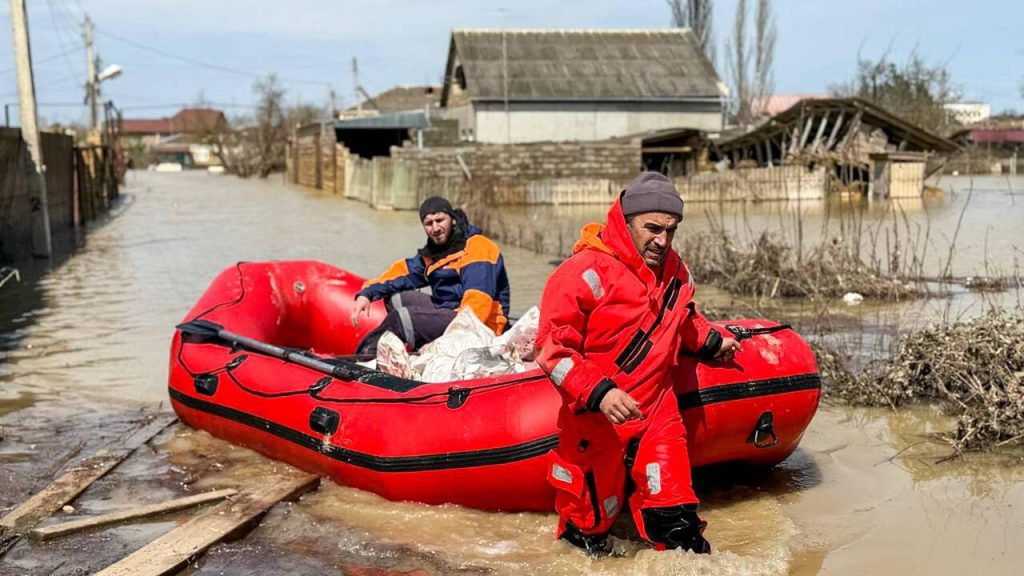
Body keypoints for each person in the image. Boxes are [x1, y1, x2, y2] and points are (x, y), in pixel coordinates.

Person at [535, 172, 740, 555]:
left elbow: (684, 317)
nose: (662, 241)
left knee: (679, 524)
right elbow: (552, 349)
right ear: (626, 220)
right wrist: (600, 392)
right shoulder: (582, 272)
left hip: (657, 411)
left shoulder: (675, 271)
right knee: (587, 534)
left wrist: (713, 341)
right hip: (596, 417)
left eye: (671, 231)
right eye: (653, 228)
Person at [351, 196, 511, 355]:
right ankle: (411, 350)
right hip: (449, 311)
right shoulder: (433, 254)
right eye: (429, 223)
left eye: (440, 220)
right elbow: (400, 272)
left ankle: (361, 360)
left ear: (452, 219)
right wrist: (367, 293)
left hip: (483, 327)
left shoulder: (478, 247)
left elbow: (477, 308)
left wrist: (443, 342)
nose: (435, 228)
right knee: (397, 298)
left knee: (402, 318)